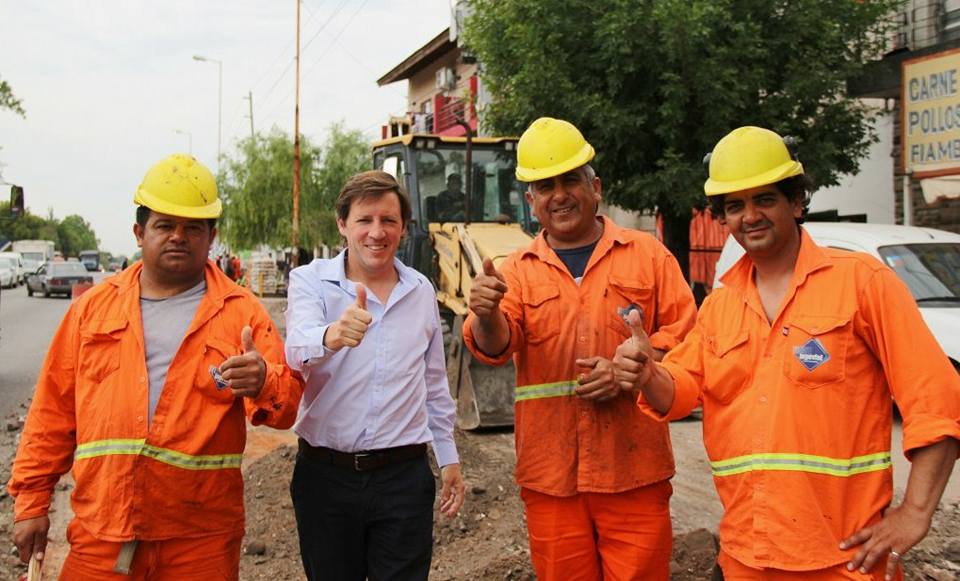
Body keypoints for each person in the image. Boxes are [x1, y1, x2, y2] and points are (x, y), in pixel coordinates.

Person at [613, 126, 960, 580]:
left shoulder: (862, 284)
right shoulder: (720, 306)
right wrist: (646, 372)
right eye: (735, 206)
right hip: (746, 557)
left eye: (765, 199)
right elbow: (677, 390)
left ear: (796, 202)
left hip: (845, 560)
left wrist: (915, 513)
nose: (750, 216)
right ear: (724, 217)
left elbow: (937, 401)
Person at [8, 153, 304, 580]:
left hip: (199, 538)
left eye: (193, 228)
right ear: (139, 232)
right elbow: (52, 412)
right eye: (165, 225)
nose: (178, 237)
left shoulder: (241, 313)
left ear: (211, 237)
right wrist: (32, 503)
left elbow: (289, 406)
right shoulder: (92, 311)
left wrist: (264, 382)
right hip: (101, 532)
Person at [463, 117, 697, 580]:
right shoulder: (518, 271)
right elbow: (496, 345)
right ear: (532, 202)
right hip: (553, 482)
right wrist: (486, 313)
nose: (559, 194)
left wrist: (637, 368)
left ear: (596, 187)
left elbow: (689, 341)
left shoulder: (649, 256)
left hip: (634, 475)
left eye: (570, 179)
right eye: (545, 186)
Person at [284, 170, 465, 581]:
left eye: (388, 220)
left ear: (403, 227)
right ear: (342, 224)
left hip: (404, 480)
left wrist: (449, 459)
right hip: (325, 479)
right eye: (365, 220)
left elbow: (434, 385)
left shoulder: (420, 291)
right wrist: (332, 335)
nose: (376, 232)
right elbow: (295, 349)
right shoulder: (311, 281)